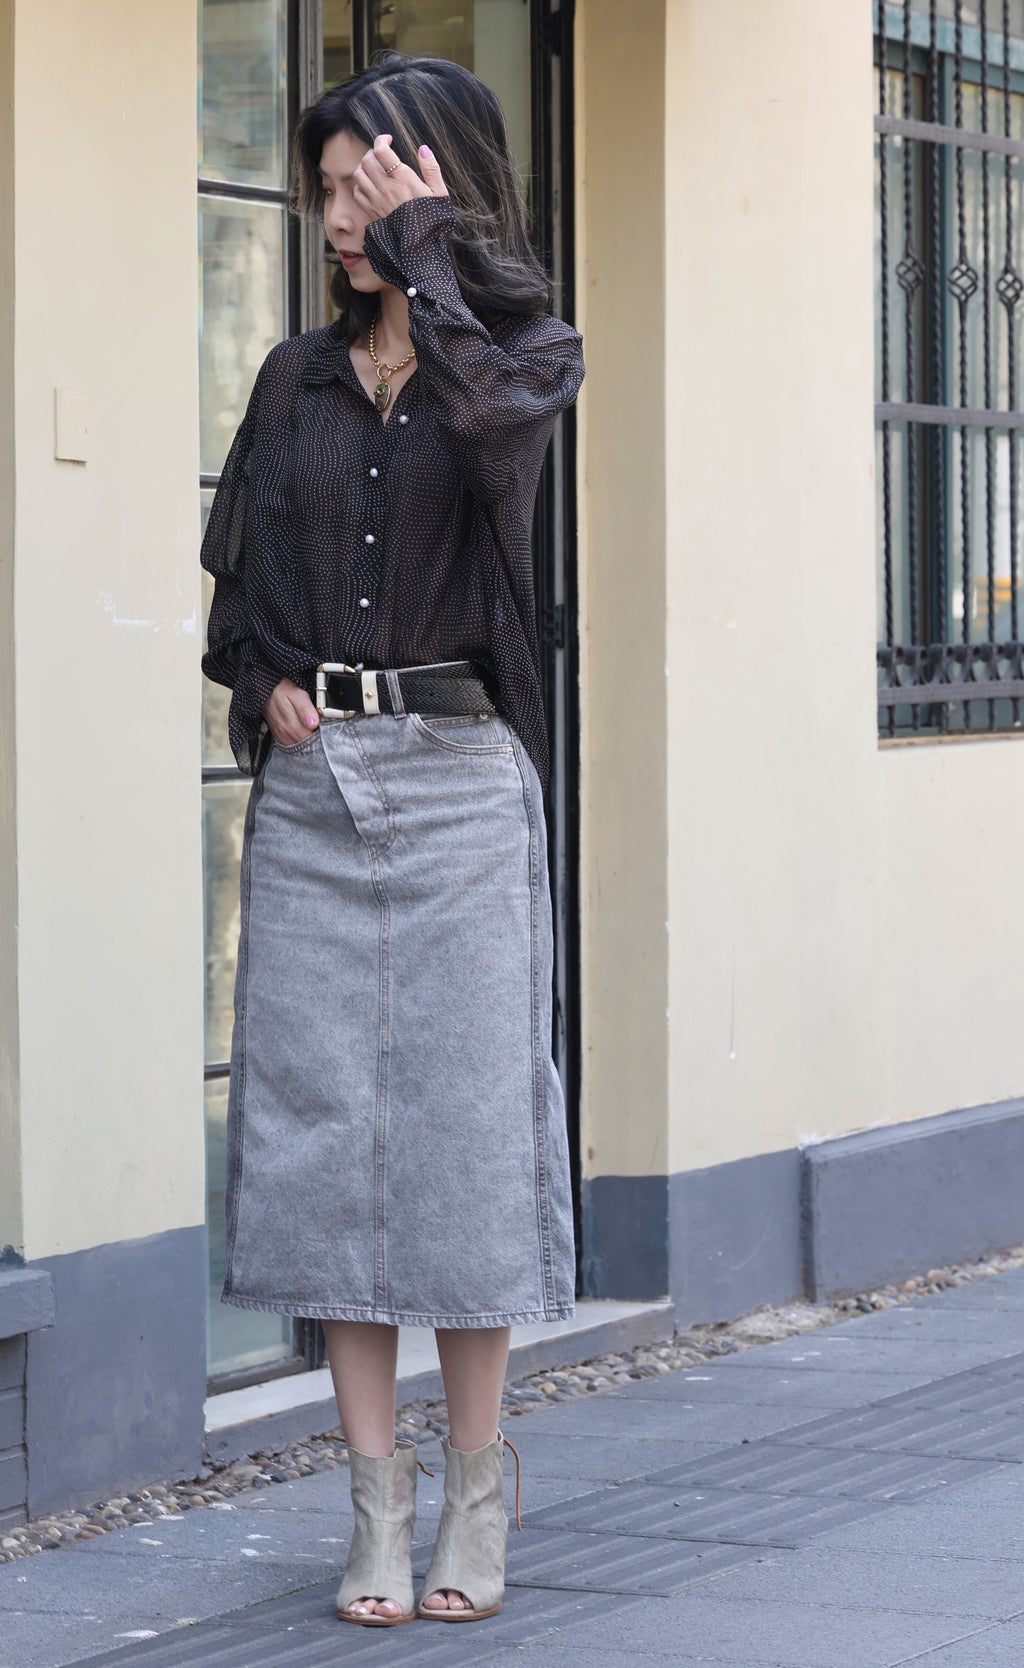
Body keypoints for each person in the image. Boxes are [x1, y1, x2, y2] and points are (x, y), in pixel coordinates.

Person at [200, 53, 584, 1627]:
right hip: (317, 796)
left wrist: (435, 259)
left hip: (460, 786)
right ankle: (373, 1508)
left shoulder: (522, 354)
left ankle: (477, 1493)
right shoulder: (293, 378)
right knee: (324, 1146)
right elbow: (236, 600)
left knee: (462, 1146)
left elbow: (499, 438)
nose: (340, 215)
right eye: (330, 189)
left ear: (440, 181)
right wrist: (269, 685)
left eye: (370, 183)